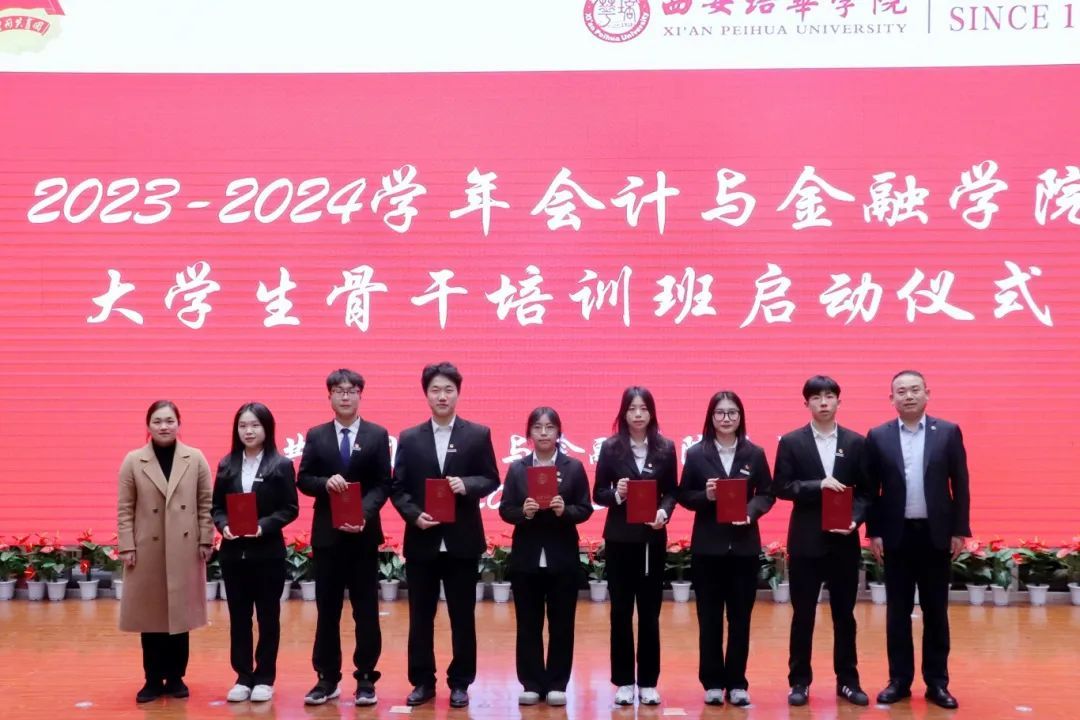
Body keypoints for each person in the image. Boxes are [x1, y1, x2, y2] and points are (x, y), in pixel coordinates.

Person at [390, 362, 500, 708]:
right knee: (420, 617)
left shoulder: (477, 434)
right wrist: (413, 515)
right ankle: (422, 681)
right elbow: (398, 487)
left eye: (448, 390)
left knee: (462, 617)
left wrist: (466, 485)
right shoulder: (409, 438)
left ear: (458, 393)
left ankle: (460, 682)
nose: (442, 396)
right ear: (426, 394)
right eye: (435, 390)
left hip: (462, 541)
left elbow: (491, 478)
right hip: (422, 540)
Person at [865, 370, 970, 710]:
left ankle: (937, 683)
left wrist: (959, 529)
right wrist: (873, 531)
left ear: (927, 393)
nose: (908, 396)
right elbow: (871, 490)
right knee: (897, 612)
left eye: (914, 390)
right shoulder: (878, 436)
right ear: (891, 398)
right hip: (896, 536)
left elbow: (961, 484)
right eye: (901, 391)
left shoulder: (948, 432)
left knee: (936, 611)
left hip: (935, 535)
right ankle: (899, 681)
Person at [772, 376, 872, 707]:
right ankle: (799, 681)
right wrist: (818, 485)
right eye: (816, 397)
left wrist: (855, 520)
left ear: (839, 401)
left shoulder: (857, 443)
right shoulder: (791, 442)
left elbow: (867, 493)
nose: (824, 402)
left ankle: (848, 681)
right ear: (807, 404)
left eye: (829, 396)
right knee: (803, 615)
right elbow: (782, 487)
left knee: (845, 616)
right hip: (806, 541)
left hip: (844, 542)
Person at [297, 369, 392, 707]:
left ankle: (366, 677)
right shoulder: (317, 435)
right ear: (330, 396)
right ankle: (327, 677)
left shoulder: (377, 434)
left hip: (363, 536)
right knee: (327, 610)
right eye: (339, 390)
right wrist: (325, 483)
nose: (346, 396)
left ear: (360, 395)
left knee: (366, 611)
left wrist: (363, 513)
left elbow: (383, 483)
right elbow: (303, 479)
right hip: (328, 536)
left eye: (352, 390)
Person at [677, 390, 773, 707]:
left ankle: (738, 682)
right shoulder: (696, 454)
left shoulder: (754, 453)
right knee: (710, 619)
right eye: (720, 412)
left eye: (732, 412)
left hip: (744, 548)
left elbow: (767, 493)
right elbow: (684, 495)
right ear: (711, 417)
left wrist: (751, 511)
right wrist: (705, 496)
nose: (726, 418)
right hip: (708, 549)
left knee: (741, 619)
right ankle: (713, 682)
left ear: (740, 417)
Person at [117, 400, 213, 704]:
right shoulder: (134, 460)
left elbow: (205, 503)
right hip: (147, 548)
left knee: (179, 618)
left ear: (179, 424)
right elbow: (125, 508)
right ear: (148, 425)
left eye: (170, 420)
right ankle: (151, 679)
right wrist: (127, 545)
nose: (164, 426)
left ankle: (175, 678)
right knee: (151, 618)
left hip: (185, 547)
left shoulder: (195, 458)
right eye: (157, 421)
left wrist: (206, 539)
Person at [499, 407, 593, 707]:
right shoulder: (517, 469)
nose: (543, 433)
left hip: (561, 557)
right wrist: (522, 512)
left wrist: (565, 510)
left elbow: (585, 508)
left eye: (549, 427)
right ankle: (530, 682)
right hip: (527, 558)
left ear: (558, 432)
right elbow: (505, 509)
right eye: (537, 427)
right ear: (529, 433)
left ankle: (557, 683)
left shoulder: (573, 467)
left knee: (561, 624)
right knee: (528, 623)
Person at [593, 386, 677, 707]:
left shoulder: (665, 448)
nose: (638, 414)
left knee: (650, 614)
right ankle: (624, 681)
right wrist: (617, 494)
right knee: (620, 612)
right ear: (623, 413)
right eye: (632, 409)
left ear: (651, 412)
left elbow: (672, 492)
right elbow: (598, 492)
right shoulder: (611, 448)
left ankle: (649, 682)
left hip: (652, 539)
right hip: (619, 540)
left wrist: (663, 513)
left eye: (643, 408)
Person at [210, 402, 299, 704]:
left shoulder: (281, 465)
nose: (248, 431)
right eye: (243, 426)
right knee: (239, 618)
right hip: (234, 555)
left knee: (268, 617)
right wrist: (223, 526)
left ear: (267, 428)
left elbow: (290, 508)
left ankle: (264, 677)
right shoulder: (227, 464)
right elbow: (217, 507)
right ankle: (243, 676)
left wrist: (263, 527)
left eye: (255, 425)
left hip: (268, 554)